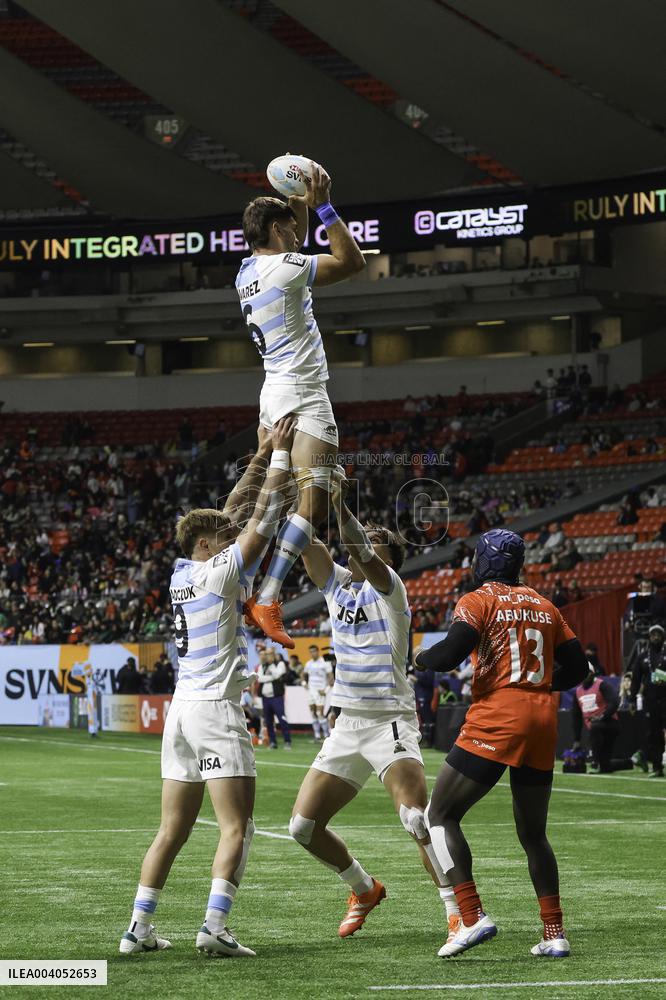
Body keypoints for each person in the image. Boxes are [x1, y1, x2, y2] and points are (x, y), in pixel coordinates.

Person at [118, 417, 295, 958]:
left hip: (181, 711)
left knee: (171, 829)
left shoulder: (181, 572)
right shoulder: (219, 572)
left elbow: (236, 511)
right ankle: (215, 927)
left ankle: (138, 929)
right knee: (237, 827)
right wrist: (282, 455)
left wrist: (259, 454)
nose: (233, 540)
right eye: (223, 538)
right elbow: (261, 519)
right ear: (205, 545)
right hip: (216, 708)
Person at [288, 482, 462, 945]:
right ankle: (364, 888)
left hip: (390, 722)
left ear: (388, 559)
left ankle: (458, 914)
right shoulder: (337, 586)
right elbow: (304, 540)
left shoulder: (391, 591)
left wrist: (339, 502)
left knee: (416, 819)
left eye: (374, 541)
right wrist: (301, 488)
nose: (363, 542)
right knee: (302, 828)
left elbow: (362, 551)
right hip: (348, 724)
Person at [414, 528, 588, 959]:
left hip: (499, 715)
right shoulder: (545, 605)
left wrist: (417, 657)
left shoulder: (478, 600)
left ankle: (471, 915)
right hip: (543, 717)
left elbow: (450, 654)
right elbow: (579, 668)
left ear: (484, 561)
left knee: (439, 815)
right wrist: (539, 685)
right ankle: (554, 933)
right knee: (534, 834)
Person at [237, 164, 365, 649]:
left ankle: (248, 583)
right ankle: (268, 598)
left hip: (272, 394)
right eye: (291, 229)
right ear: (276, 231)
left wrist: (295, 199)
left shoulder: (247, 271)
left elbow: (293, 239)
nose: (299, 234)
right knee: (313, 503)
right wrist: (324, 206)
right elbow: (351, 262)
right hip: (304, 394)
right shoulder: (285, 268)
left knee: (283, 504)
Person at [572, 666, 634, 774]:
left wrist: (602, 716)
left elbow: (614, 702)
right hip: (595, 728)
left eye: (588, 673)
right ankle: (631, 762)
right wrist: (577, 740)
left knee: (596, 726)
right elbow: (576, 717)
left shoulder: (602, 685)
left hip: (610, 723)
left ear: (593, 674)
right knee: (605, 766)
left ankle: (595, 762)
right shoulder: (577, 692)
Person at [629, 624, 666, 777]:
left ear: (663, 637)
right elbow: (635, 680)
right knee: (654, 734)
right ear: (649, 637)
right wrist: (632, 700)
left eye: (658, 634)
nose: (655, 637)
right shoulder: (643, 656)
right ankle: (657, 768)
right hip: (650, 701)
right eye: (653, 635)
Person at [256, 647, 292, 750]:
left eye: (269, 654)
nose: (267, 656)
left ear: (274, 654)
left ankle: (287, 741)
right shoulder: (262, 666)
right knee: (268, 721)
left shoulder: (280, 664)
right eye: (266, 654)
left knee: (282, 719)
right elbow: (259, 679)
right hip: (265, 698)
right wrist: (271, 678)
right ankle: (273, 742)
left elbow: (277, 675)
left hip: (276, 697)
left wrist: (271, 666)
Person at [303, 643, 333, 742]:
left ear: (317, 651)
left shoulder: (325, 663)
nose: (312, 653)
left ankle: (326, 736)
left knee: (319, 713)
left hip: (320, 691)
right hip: (311, 691)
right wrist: (304, 683)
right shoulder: (308, 664)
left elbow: (331, 678)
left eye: (314, 651)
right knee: (313, 713)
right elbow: (303, 675)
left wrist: (326, 690)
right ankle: (317, 735)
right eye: (311, 652)